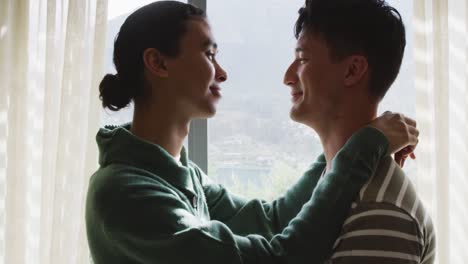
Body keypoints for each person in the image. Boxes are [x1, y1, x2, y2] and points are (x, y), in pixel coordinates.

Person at [85, 1, 419, 263]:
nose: (223, 72)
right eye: (209, 54)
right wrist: (365, 143)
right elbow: (279, 257)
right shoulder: (123, 195)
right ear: (158, 63)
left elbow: (271, 220)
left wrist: (350, 145)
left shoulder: (185, 178)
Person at [283, 0, 435, 263]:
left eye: (303, 59)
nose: (288, 76)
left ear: (352, 70)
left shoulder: (379, 212)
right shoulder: (335, 183)